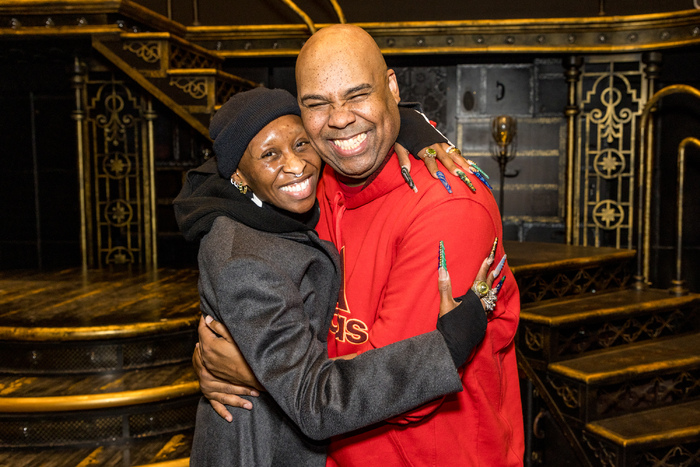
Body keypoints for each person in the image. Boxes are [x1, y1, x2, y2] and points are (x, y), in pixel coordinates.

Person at [174, 86, 504, 466]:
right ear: (238, 176)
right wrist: (447, 348)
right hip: (261, 451)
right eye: (269, 155)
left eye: (301, 144)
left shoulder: (271, 210)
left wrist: (411, 127)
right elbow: (315, 402)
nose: (296, 165)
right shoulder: (244, 258)